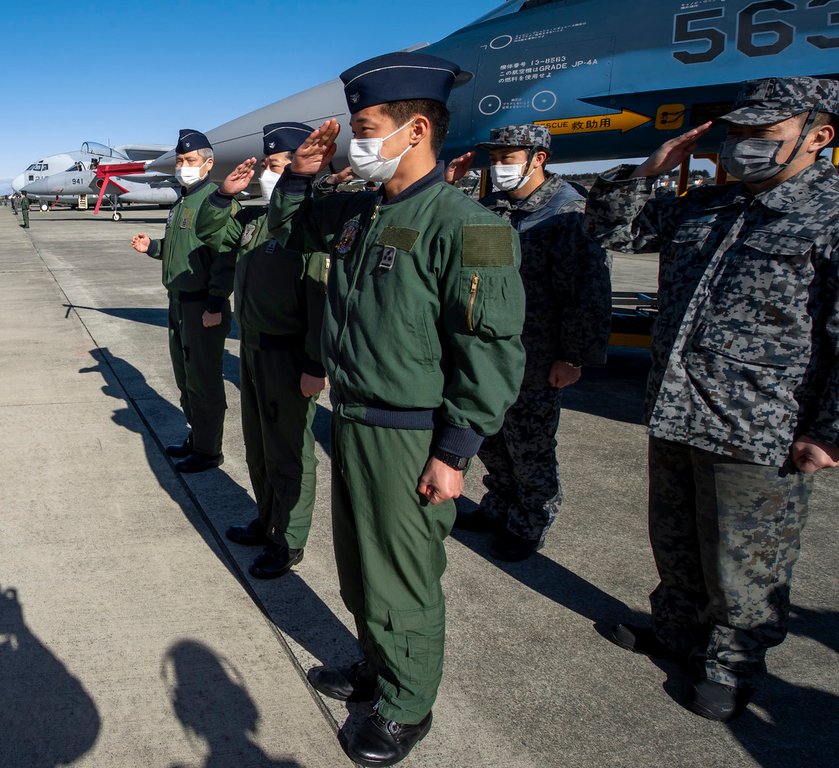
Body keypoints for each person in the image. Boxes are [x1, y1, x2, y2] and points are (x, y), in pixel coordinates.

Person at [268, 53, 525, 766]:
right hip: (353, 419)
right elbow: (294, 230)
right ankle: (379, 666)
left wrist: (456, 449)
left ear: (415, 129)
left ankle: (407, 706)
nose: (355, 142)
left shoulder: (469, 224)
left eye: (364, 128)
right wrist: (301, 176)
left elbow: (491, 347)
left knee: (401, 573)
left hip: (411, 434)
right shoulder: (362, 210)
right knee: (359, 567)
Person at [584, 76, 839, 722]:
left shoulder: (830, 213)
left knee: (745, 560)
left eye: (764, 133)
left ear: (819, 136)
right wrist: (648, 170)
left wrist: (829, 429)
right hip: (677, 409)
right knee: (674, 538)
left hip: (761, 425)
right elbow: (613, 232)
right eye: (738, 131)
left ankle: (732, 665)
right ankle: (676, 632)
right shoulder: (707, 204)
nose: (744, 143)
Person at [447, 125, 611, 561]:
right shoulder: (492, 208)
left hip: (537, 355)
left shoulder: (568, 211)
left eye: (508, 157)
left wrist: (573, 356)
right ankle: (499, 506)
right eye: (495, 158)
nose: (499, 166)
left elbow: (587, 291)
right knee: (491, 438)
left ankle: (530, 522)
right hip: (489, 352)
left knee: (530, 446)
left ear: (538, 158)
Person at [193, 122, 325, 579]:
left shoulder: (311, 225)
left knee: (289, 450)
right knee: (259, 446)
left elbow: (320, 299)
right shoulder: (257, 220)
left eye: (277, 166)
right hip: (252, 348)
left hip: (288, 355)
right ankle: (267, 519)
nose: (268, 174)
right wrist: (223, 196)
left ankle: (289, 538)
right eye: (267, 165)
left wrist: (315, 362)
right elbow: (213, 234)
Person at [129, 129, 236, 473]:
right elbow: (180, 248)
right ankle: (196, 436)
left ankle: (209, 450)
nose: (182, 166)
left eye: (190, 160)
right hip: (178, 302)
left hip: (202, 305)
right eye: (179, 160)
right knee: (185, 377)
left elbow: (225, 259)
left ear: (208, 164)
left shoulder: (216, 203)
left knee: (204, 380)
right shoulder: (181, 202)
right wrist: (153, 248)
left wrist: (215, 304)